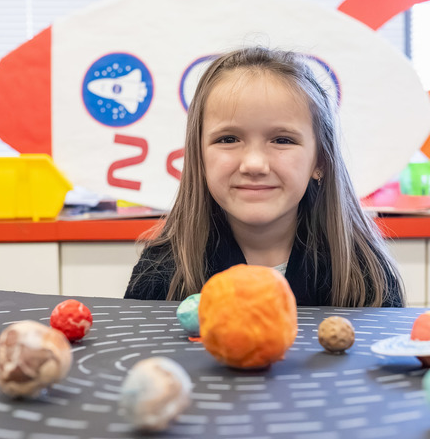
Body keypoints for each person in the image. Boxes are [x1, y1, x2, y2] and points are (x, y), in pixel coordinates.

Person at [125, 46, 405, 307]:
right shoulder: (160, 273)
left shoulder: (366, 275)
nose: (254, 164)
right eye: (228, 139)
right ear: (199, 158)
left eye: (282, 140)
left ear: (319, 160)